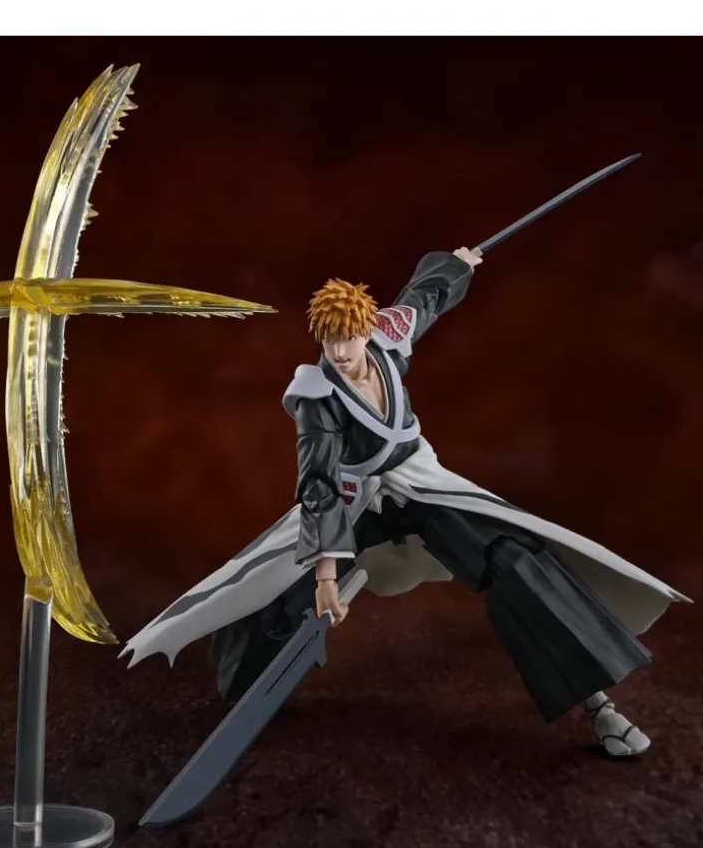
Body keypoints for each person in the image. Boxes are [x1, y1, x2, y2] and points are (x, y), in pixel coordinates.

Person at [123, 248, 691, 757]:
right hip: (352, 499)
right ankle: (246, 683)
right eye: (328, 341)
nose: (339, 352)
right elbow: (319, 485)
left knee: (515, 558)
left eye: (348, 339)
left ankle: (598, 704)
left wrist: (457, 264)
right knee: (272, 587)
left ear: (365, 329)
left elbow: (425, 297)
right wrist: (326, 578)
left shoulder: (387, 339)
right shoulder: (317, 398)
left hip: (420, 480)